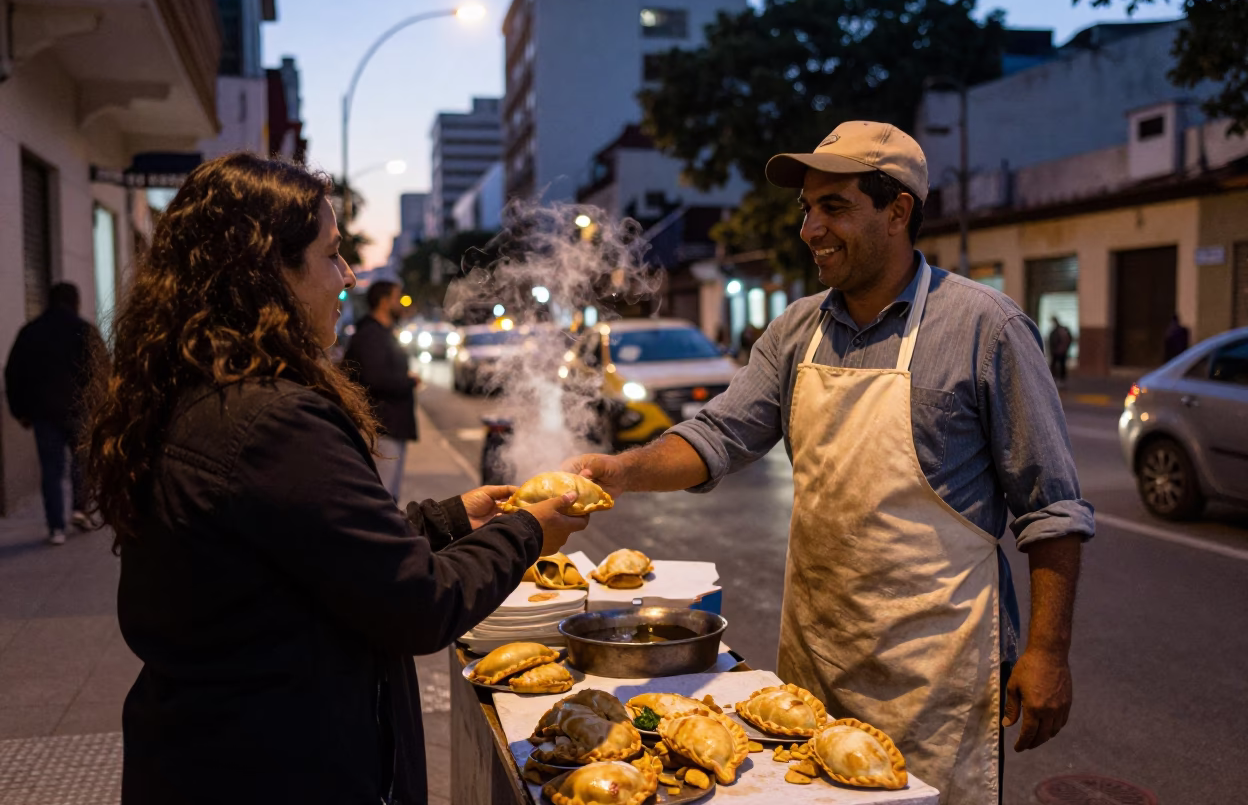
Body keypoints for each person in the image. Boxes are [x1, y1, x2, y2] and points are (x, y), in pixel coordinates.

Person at [564, 121, 1093, 805]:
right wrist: (620, 472)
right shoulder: (797, 330)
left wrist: (1048, 652)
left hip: (937, 680)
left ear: (898, 210)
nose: (812, 229)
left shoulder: (984, 329)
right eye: (807, 209)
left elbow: (1052, 510)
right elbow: (718, 436)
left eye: (834, 208)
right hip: (813, 666)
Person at [81, 153, 589, 805]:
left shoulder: (199, 389)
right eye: (330, 255)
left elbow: (312, 550)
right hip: (278, 767)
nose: (348, 276)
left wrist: (451, 519)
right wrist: (527, 531)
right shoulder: (271, 418)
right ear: (268, 273)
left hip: (210, 755)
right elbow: (418, 606)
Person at [4, 281, 105, 544]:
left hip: (44, 412)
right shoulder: (85, 331)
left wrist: (20, 411)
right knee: (81, 462)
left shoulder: (30, 332)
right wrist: (99, 406)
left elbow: (13, 373)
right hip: (78, 409)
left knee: (51, 468)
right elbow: (101, 369)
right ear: (75, 301)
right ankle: (80, 509)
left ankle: (56, 527)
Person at [343, 280, 419, 500]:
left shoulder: (381, 332)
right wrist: (409, 382)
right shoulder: (370, 335)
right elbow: (374, 379)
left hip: (390, 425)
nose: (401, 303)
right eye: (398, 298)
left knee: (390, 496)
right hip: (382, 427)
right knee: (382, 497)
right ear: (384, 302)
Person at [1048, 317, 1073, 386]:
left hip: (1057, 351)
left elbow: (1052, 342)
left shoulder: (1055, 331)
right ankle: (1061, 380)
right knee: (1061, 365)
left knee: (1056, 365)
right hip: (1062, 351)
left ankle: (1057, 379)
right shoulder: (1063, 329)